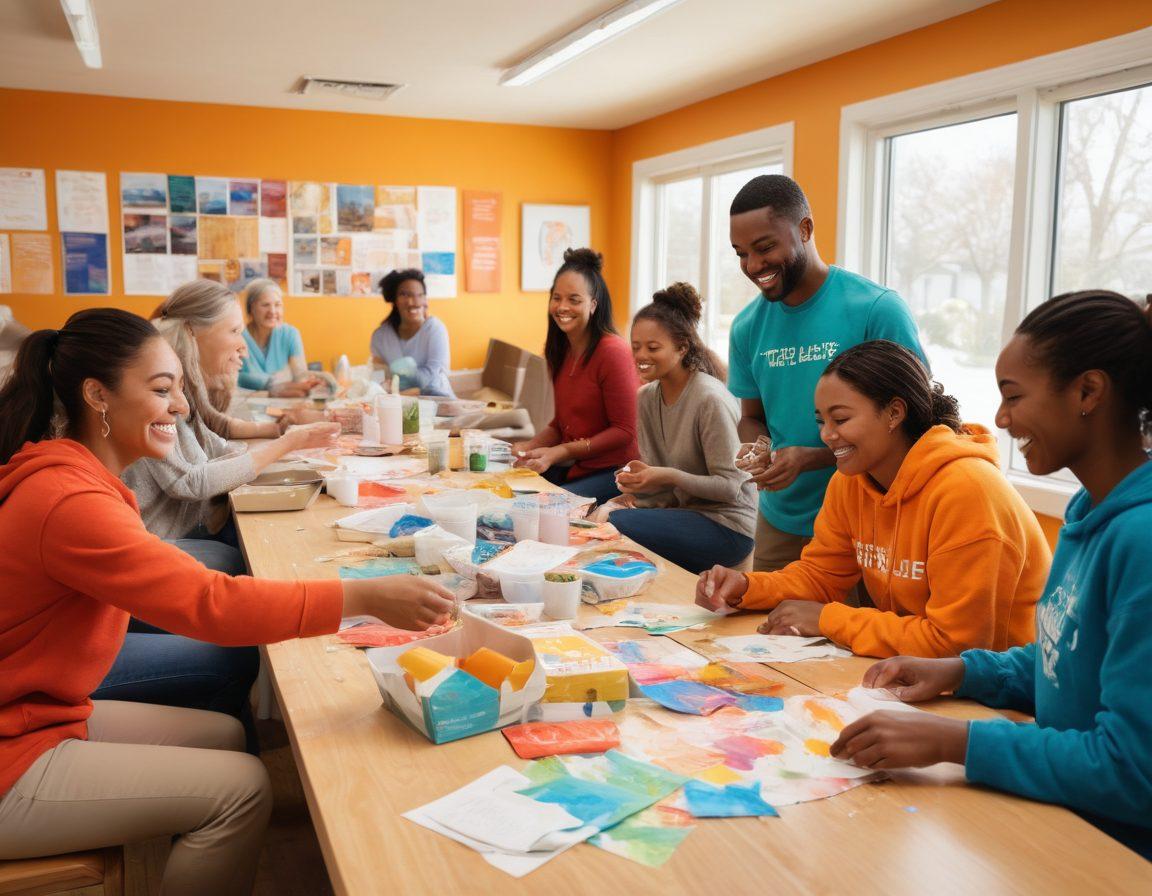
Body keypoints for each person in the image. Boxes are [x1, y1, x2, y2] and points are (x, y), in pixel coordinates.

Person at [0, 308, 454, 893]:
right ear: (97, 395)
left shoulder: (77, 479)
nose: (180, 407)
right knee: (243, 789)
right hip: (14, 751)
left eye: (179, 389)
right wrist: (363, 596)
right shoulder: (71, 501)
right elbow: (210, 604)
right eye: (162, 390)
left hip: (40, 712)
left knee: (226, 736)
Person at [828, 291, 1152, 861]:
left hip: (1112, 851)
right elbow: (1064, 660)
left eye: (1014, 397)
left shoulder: (1140, 538)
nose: (1001, 419)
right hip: (1058, 809)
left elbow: (1132, 771)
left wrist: (957, 740)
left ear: (1088, 392)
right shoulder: (1089, 511)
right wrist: (961, 671)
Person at [697, 340, 1050, 657]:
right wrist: (746, 587)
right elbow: (822, 575)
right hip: (918, 671)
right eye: (821, 421)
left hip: (998, 694)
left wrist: (828, 619)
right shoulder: (850, 481)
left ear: (894, 413)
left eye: (841, 419)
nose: (827, 435)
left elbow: (956, 644)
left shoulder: (968, 492)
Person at [727, 175, 926, 574]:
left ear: (804, 229)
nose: (753, 266)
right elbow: (752, 416)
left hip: (870, 519)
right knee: (765, 614)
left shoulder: (877, 309)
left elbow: (916, 424)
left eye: (765, 248)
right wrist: (759, 449)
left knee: (855, 617)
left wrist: (812, 458)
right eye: (741, 254)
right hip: (781, 520)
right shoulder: (746, 327)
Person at [124, 279, 340, 573]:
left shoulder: (183, 390)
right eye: (235, 332)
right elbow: (192, 481)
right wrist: (288, 443)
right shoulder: (159, 393)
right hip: (157, 543)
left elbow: (220, 447)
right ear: (192, 331)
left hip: (187, 530)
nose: (244, 349)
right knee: (259, 559)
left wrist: (305, 462)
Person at [602, 282, 755, 573]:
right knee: (602, 513)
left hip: (729, 527)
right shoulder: (646, 397)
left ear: (682, 347)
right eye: (635, 347)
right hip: (686, 513)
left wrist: (668, 476)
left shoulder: (709, 399)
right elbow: (664, 492)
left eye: (653, 348)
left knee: (615, 522)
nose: (641, 356)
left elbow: (730, 488)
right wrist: (636, 490)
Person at [512, 248, 640, 505]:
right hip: (577, 466)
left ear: (593, 304)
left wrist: (559, 452)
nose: (562, 307)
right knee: (511, 489)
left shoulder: (613, 351)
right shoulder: (560, 351)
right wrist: (530, 447)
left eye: (574, 299)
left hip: (616, 471)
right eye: (556, 298)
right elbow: (561, 425)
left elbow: (625, 431)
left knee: (548, 506)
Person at [369, 268, 455, 397]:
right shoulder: (381, 337)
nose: (413, 302)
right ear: (394, 300)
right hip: (395, 404)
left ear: (425, 300)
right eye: (405, 295)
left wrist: (407, 376)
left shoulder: (435, 329)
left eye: (420, 295)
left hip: (438, 403)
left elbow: (435, 378)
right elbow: (378, 381)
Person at [237, 278, 319, 396]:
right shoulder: (237, 337)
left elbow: (300, 375)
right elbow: (234, 379)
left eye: (278, 305)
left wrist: (314, 381)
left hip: (282, 402)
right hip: (245, 402)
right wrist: (271, 383)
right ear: (251, 308)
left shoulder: (290, 334)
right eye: (265, 305)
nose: (272, 311)